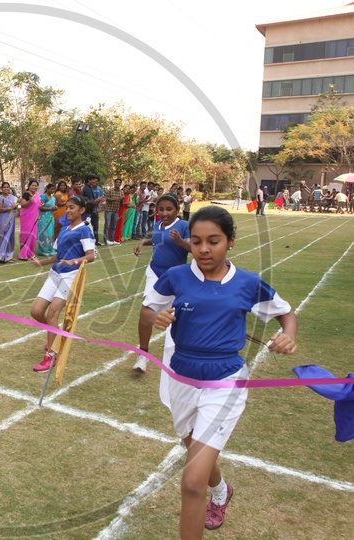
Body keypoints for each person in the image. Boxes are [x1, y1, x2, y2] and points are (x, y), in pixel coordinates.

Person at [141, 206, 297, 538]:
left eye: (214, 241)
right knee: (191, 443)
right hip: (180, 376)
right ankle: (223, 490)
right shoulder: (178, 276)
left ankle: (211, 492)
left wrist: (288, 335)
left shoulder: (247, 283)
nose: (204, 249)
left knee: (192, 480)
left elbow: (286, 314)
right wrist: (159, 318)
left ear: (230, 242)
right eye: (196, 242)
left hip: (225, 381)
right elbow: (151, 307)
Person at [30, 195, 95, 372]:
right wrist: (41, 263)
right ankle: (55, 335)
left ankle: (51, 356)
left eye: (72, 207)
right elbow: (57, 256)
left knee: (53, 312)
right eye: (67, 207)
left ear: (81, 210)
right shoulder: (65, 228)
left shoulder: (85, 230)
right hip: (56, 273)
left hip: (71, 275)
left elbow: (91, 256)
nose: (68, 211)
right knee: (36, 311)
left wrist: (73, 261)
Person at [132, 193, 190, 373]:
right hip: (155, 272)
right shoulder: (158, 225)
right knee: (146, 309)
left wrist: (180, 241)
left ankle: (181, 354)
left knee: (177, 316)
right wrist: (144, 242)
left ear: (177, 210)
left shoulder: (184, 226)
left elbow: (194, 249)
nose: (164, 213)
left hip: (175, 276)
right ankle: (143, 355)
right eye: (161, 209)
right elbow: (159, 240)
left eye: (169, 209)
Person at [0, 182, 18, 263]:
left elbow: (15, 207)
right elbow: (0, 209)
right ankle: (1, 255)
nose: (6, 188)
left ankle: (9, 256)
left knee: (10, 236)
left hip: (11, 219)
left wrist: (15, 207)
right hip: (3, 219)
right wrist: (10, 208)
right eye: (4, 187)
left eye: (7, 187)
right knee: (3, 235)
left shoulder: (13, 197)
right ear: (2, 188)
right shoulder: (0, 198)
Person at [18, 179, 41, 260]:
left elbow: (38, 205)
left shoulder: (37, 194)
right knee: (26, 234)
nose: (34, 187)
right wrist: (29, 202)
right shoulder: (26, 194)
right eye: (33, 185)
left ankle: (30, 252)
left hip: (34, 217)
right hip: (26, 217)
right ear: (29, 186)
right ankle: (23, 254)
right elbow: (23, 205)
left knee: (33, 235)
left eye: (36, 186)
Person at [82, 174, 104, 245]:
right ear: (89, 180)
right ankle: (92, 240)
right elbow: (90, 201)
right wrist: (97, 200)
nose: (94, 181)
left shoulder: (89, 187)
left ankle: (95, 240)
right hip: (89, 210)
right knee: (90, 225)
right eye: (93, 180)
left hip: (92, 209)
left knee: (94, 225)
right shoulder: (86, 188)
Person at [38, 183, 57, 257]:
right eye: (51, 189)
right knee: (44, 233)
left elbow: (52, 207)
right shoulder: (44, 197)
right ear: (47, 189)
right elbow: (40, 207)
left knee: (50, 233)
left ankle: (49, 249)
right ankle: (43, 250)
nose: (52, 191)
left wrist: (54, 208)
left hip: (50, 218)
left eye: (53, 189)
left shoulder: (53, 198)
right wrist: (51, 208)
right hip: (43, 218)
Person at [104, 178, 123, 245]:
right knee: (107, 225)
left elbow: (121, 201)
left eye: (119, 182)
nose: (118, 184)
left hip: (116, 210)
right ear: (114, 183)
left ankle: (111, 239)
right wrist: (116, 199)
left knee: (114, 226)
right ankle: (106, 239)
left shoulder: (121, 192)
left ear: (121, 184)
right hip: (109, 210)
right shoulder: (110, 190)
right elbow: (107, 198)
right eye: (117, 182)